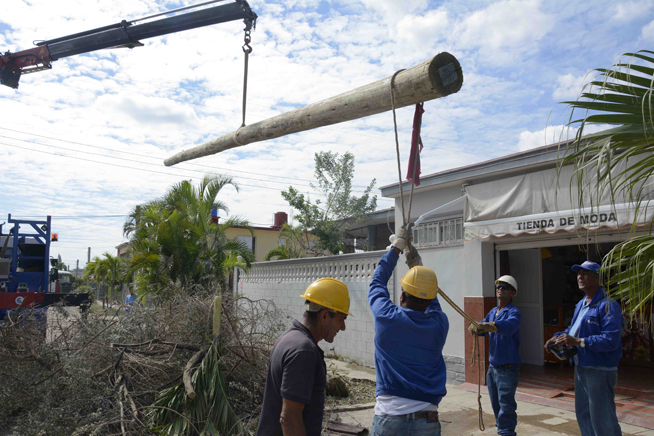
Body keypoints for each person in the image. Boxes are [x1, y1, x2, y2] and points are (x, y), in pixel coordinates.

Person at [368, 225, 449, 435]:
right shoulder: (439, 324)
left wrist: (396, 248)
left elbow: (377, 282)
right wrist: (417, 266)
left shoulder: (387, 318)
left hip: (389, 419)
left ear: (402, 297)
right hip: (428, 421)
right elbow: (432, 301)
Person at [256, 277, 351, 436]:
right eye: (341, 319)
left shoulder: (288, 339)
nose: (343, 327)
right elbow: (289, 419)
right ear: (325, 316)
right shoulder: (303, 351)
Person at [544, 261, 622, 436]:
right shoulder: (581, 304)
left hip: (599, 370)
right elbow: (573, 330)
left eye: (585, 273)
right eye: (579, 273)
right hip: (581, 366)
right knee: (584, 415)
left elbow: (611, 340)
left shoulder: (608, 305)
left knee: (603, 418)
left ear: (598, 278)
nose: (580, 277)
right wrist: (557, 337)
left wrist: (579, 341)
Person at [469, 275, 522, 436]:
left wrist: (490, 325)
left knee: (506, 406)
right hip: (493, 368)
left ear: (512, 292)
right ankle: (502, 430)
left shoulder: (514, 313)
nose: (500, 289)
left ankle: (506, 432)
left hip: (507, 369)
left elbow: (508, 327)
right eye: (498, 286)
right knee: (497, 405)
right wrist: (477, 328)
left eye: (504, 287)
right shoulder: (493, 312)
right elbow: (484, 330)